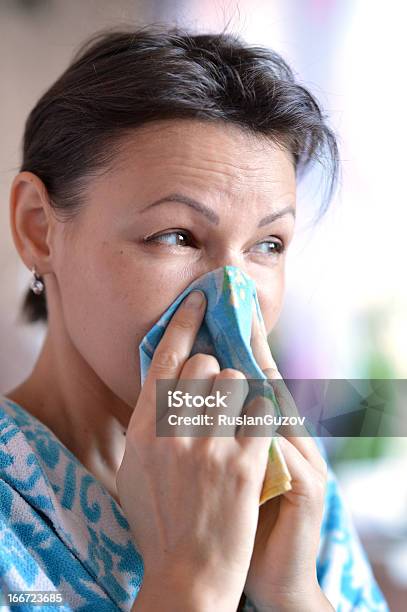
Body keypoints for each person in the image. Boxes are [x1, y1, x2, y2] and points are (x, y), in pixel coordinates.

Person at [0, 26, 388, 611]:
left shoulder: (297, 491)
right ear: (38, 228)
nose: (233, 299)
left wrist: (291, 592)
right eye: (177, 236)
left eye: (269, 246)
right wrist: (190, 581)